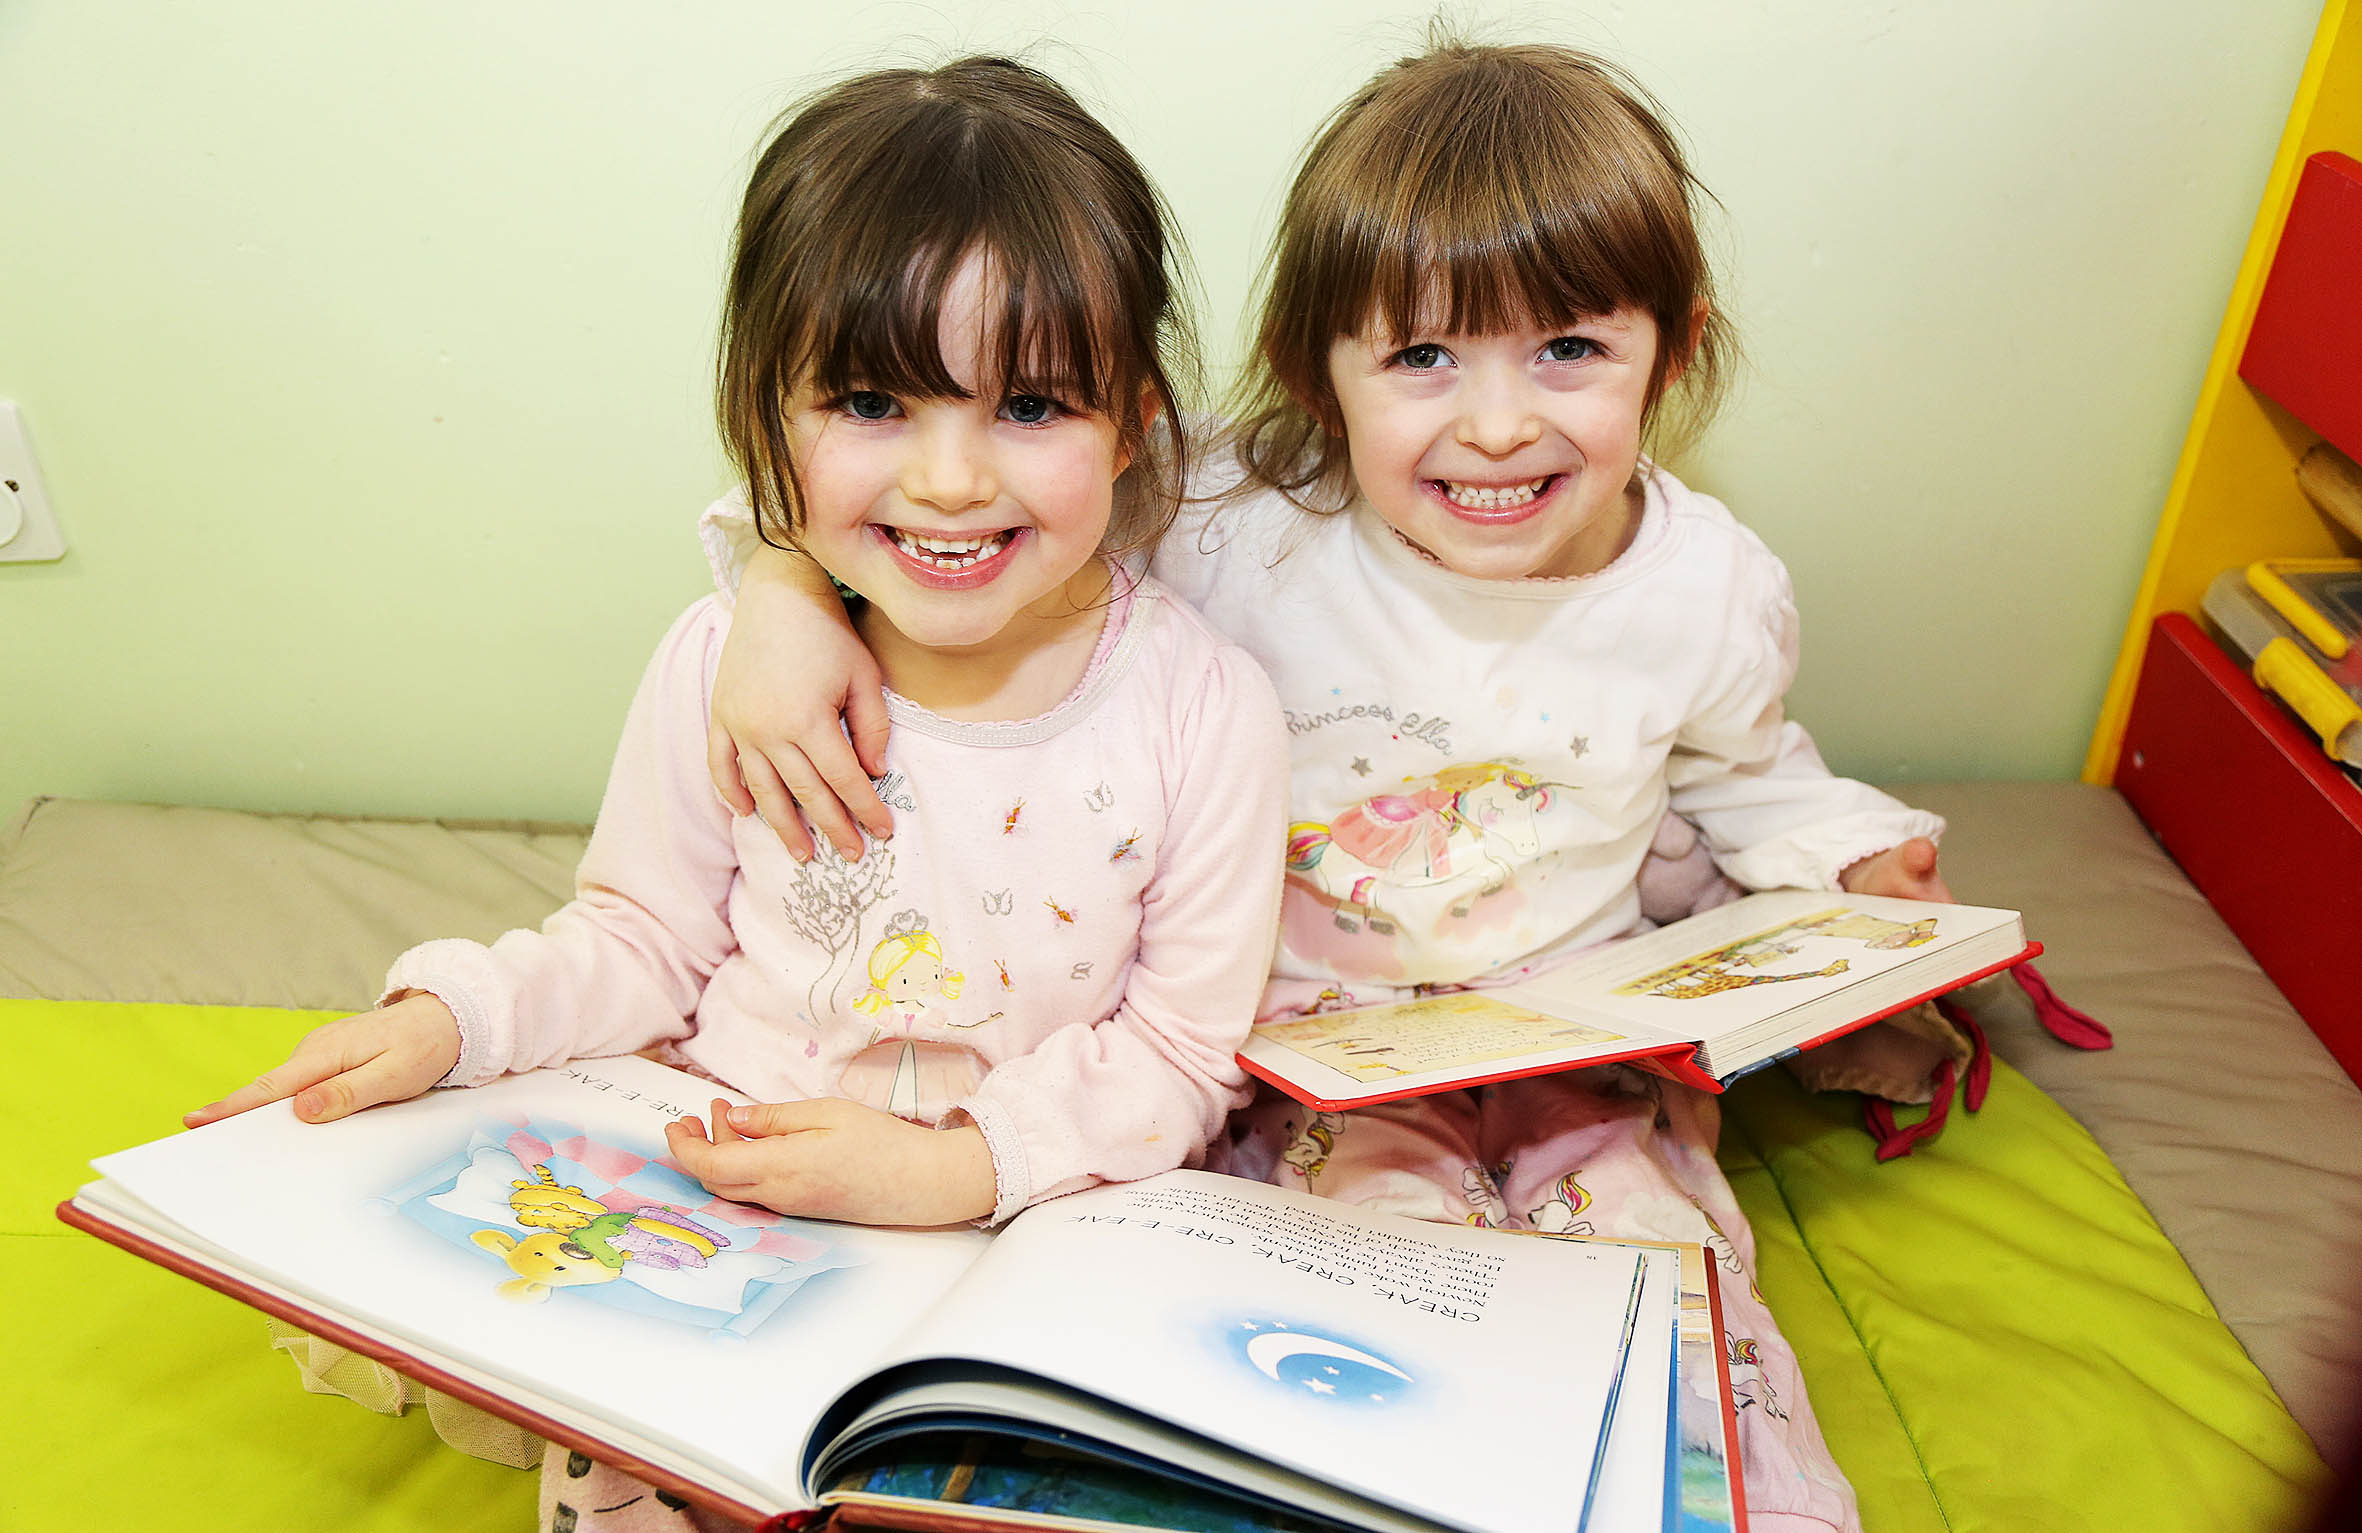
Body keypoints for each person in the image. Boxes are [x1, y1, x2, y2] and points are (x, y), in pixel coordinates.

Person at [698, 35, 1957, 1533]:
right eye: (1422, 357)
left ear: (1673, 352)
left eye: (1568, 349)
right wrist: (780, 588)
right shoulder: (1232, 517)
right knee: (1362, 1355)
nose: (1497, 423)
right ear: (1319, 371)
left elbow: (1746, 770)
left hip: (1583, 1049)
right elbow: (955, 512)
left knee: (1665, 1313)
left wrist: (1854, 859)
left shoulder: (1708, 588)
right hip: (1309, 1052)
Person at [185, 55, 1288, 1533]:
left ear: (1134, 421)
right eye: (871, 401)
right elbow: (640, 937)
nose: (950, 479)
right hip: (735, 1216)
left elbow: (1181, 1050)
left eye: (1029, 404)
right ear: (767, 420)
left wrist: (957, 1169)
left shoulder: (1206, 707)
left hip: (1030, 1231)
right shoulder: (726, 659)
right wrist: (455, 1019)